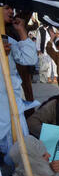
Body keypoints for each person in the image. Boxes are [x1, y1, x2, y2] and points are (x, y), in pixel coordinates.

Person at [0, 15, 38, 156]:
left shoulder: (8, 40)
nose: (11, 12)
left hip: (13, 104)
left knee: (19, 151)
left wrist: (21, 30)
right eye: (6, 8)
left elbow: (30, 59)